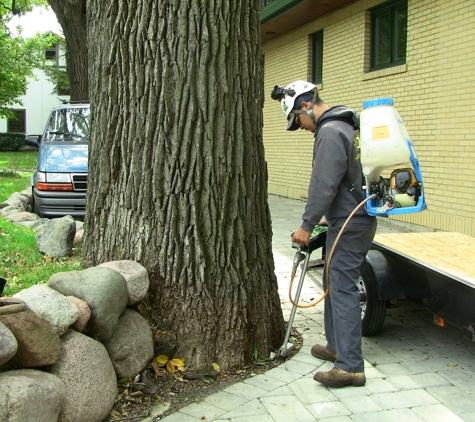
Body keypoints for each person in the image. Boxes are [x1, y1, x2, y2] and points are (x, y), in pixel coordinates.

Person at [270, 80, 377, 387]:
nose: (300, 127)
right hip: (350, 219)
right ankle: (336, 347)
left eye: (297, 120)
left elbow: (324, 184)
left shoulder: (329, 132)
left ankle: (351, 367)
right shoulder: (344, 127)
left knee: (341, 286)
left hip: (349, 221)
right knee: (334, 281)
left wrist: (306, 225)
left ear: (306, 105)